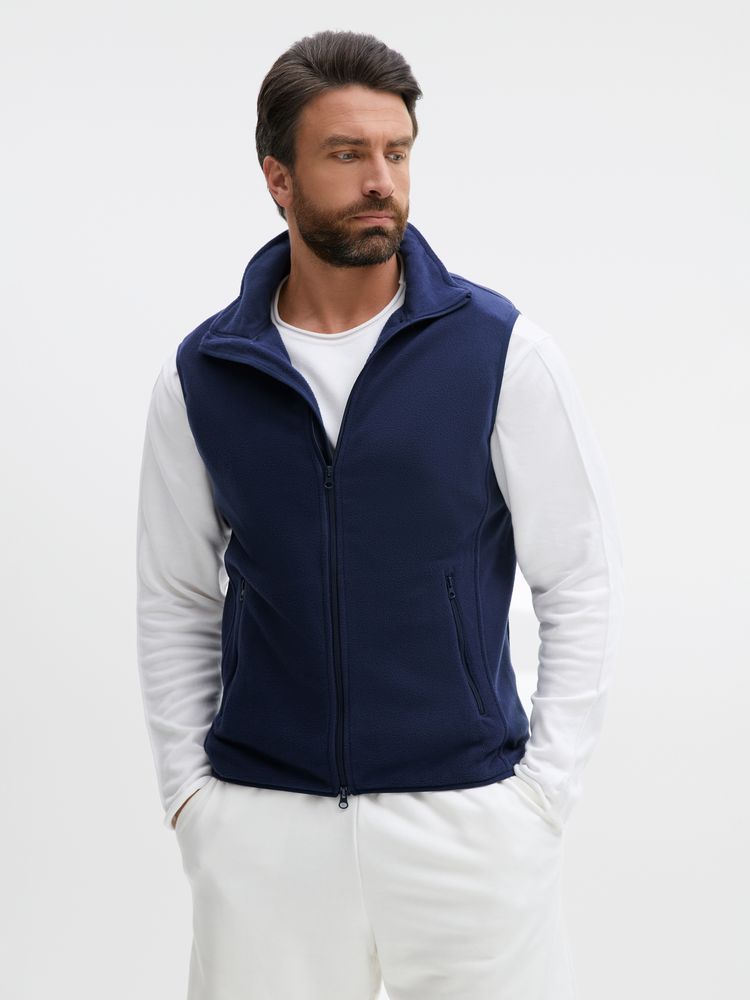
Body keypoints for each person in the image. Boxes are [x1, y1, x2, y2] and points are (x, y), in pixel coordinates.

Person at [135, 28, 625, 1000]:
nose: (380, 181)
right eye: (346, 153)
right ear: (279, 178)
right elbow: (175, 595)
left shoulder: (499, 351)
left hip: (467, 825)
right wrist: (193, 798)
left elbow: (581, 577)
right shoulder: (204, 375)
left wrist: (541, 798)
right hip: (267, 831)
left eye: (396, 153)